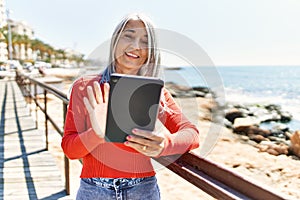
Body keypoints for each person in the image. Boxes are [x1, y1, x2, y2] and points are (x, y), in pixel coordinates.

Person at [61, 13, 199, 200]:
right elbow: (70, 150)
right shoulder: (85, 87)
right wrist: (97, 134)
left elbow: (191, 134)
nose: (136, 46)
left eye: (145, 41)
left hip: (142, 190)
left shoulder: (155, 92)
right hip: (94, 190)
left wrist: (165, 145)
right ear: (115, 40)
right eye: (129, 35)